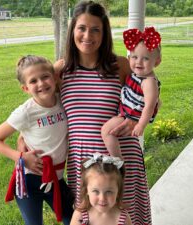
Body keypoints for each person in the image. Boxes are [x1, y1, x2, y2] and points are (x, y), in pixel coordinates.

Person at [54, 1, 152, 224]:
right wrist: (23, 138)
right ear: (73, 31)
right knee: (88, 218)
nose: (88, 35)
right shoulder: (61, 70)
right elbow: (41, 108)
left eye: (95, 29)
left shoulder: (120, 65)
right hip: (84, 162)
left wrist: (136, 120)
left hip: (122, 159)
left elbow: (151, 100)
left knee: (125, 218)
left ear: (104, 33)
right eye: (82, 28)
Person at [0, 55, 74, 225]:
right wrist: (21, 157)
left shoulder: (63, 100)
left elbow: (64, 62)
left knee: (73, 219)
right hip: (29, 181)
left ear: (55, 77)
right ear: (25, 88)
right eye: (33, 81)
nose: (41, 84)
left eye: (45, 77)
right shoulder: (25, 112)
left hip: (56, 179)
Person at [101, 27, 162, 158]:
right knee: (107, 131)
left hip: (132, 116)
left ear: (156, 61)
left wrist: (141, 124)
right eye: (135, 57)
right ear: (129, 58)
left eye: (145, 58)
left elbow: (150, 106)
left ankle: (117, 160)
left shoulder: (148, 82)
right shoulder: (136, 75)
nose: (138, 62)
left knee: (106, 131)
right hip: (126, 112)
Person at [70, 153, 132, 225]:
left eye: (109, 191)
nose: (102, 198)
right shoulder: (80, 215)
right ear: (86, 190)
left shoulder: (123, 218)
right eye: (96, 191)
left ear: (118, 191)